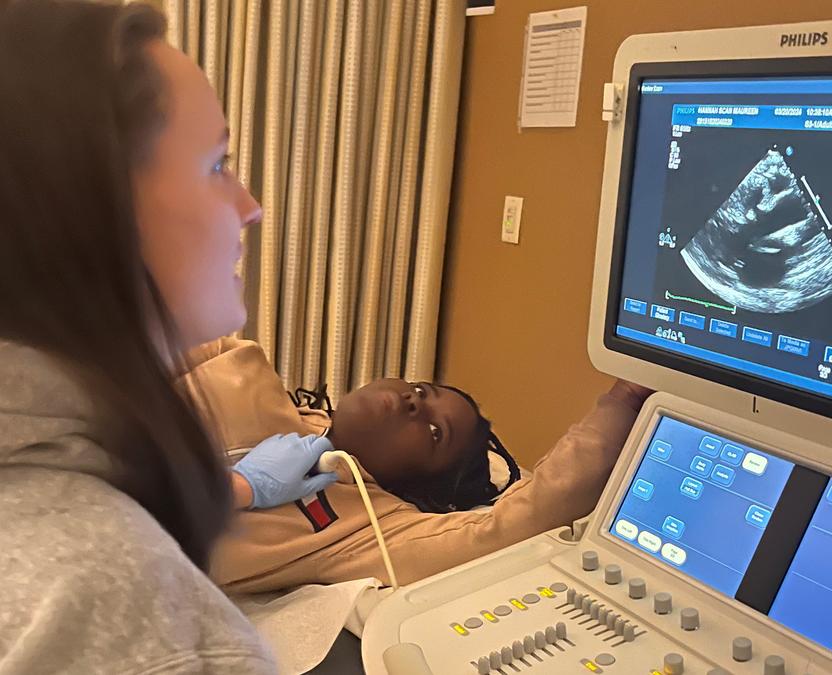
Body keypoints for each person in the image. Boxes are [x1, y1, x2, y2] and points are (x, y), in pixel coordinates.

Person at [0, 1, 336, 672]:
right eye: (217, 164)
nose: (251, 206)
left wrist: (235, 486)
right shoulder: (126, 612)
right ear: (85, 208)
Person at [181, 338, 649, 593]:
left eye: (433, 433)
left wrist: (623, 400)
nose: (412, 403)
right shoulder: (241, 365)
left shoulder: (370, 529)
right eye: (422, 391)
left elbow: (522, 516)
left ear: (420, 486)